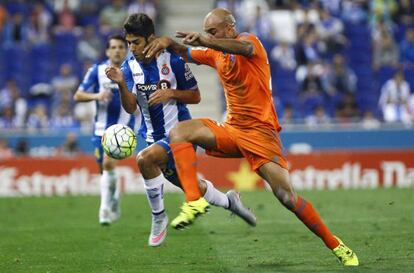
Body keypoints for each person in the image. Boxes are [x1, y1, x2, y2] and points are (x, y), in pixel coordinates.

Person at [143, 8, 359, 265]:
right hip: (232, 129)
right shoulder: (215, 53)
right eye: (206, 32)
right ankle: (193, 201)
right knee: (180, 131)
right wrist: (169, 43)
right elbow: (184, 53)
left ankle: (337, 245)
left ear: (229, 28)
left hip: (261, 134)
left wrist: (207, 41)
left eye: (212, 31)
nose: (207, 35)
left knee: (287, 198)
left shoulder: (251, 43)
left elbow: (242, 49)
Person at [105, 13, 256, 247]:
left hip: (180, 133)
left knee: (145, 160)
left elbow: (196, 96)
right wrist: (122, 84)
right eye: (129, 43)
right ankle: (230, 201)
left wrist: (171, 93)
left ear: (150, 39)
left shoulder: (172, 61)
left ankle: (158, 218)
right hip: (153, 136)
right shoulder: (128, 66)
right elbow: (130, 106)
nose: (131, 48)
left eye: (136, 42)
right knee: (190, 185)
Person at [73, 35, 136, 225]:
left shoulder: (133, 70)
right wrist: (97, 95)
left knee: (108, 165)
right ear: (107, 51)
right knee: (105, 170)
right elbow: (78, 95)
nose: (117, 50)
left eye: (121, 47)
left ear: (126, 51)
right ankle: (115, 198)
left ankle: (104, 210)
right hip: (100, 129)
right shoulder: (97, 70)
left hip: (122, 130)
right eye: (113, 47)